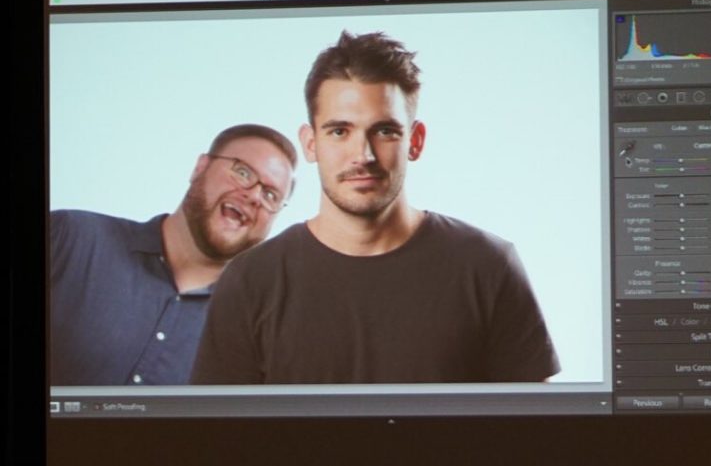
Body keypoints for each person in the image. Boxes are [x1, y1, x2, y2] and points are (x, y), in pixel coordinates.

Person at [192, 32, 559, 384]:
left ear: (415, 141)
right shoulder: (250, 280)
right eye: (339, 131)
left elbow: (538, 431)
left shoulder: (488, 265)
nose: (363, 155)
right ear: (310, 143)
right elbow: (218, 438)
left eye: (384, 131)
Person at [50, 124, 297, 385]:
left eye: (271, 195)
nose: (255, 196)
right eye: (242, 172)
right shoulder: (70, 238)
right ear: (200, 168)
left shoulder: (256, 333)